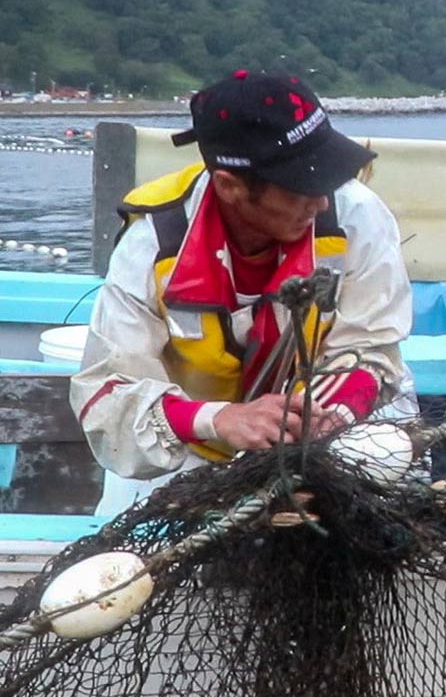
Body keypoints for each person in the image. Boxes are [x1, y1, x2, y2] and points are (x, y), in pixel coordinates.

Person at [72, 69, 415, 512]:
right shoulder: (152, 245)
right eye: (300, 185)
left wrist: (323, 417)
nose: (322, 201)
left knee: (374, 481)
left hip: (332, 435)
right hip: (190, 447)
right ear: (229, 186)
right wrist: (220, 419)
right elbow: (106, 396)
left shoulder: (357, 217)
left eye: (325, 177)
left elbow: (374, 349)